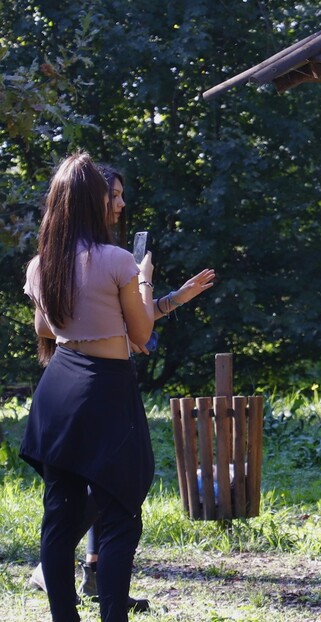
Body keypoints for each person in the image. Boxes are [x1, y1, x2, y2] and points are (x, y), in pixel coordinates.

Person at [25, 161, 216, 613]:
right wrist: (145, 276)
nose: (122, 203)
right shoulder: (118, 260)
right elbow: (140, 332)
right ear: (93, 202)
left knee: (59, 517)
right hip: (106, 392)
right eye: (113, 196)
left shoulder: (40, 263)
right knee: (121, 513)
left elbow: (45, 331)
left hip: (58, 389)